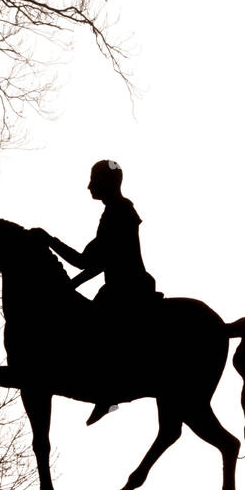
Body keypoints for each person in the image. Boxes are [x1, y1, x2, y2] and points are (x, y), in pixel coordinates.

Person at [33, 159, 162, 424]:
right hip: (119, 288)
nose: (89, 186)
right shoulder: (115, 211)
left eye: (94, 180)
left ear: (107, 183)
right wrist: (72, 285)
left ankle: (108, 392)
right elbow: (97, 263)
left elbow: (87, 262)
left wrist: (49, 240)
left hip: (127, 290)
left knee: (91, 330)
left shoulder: (119, 212)